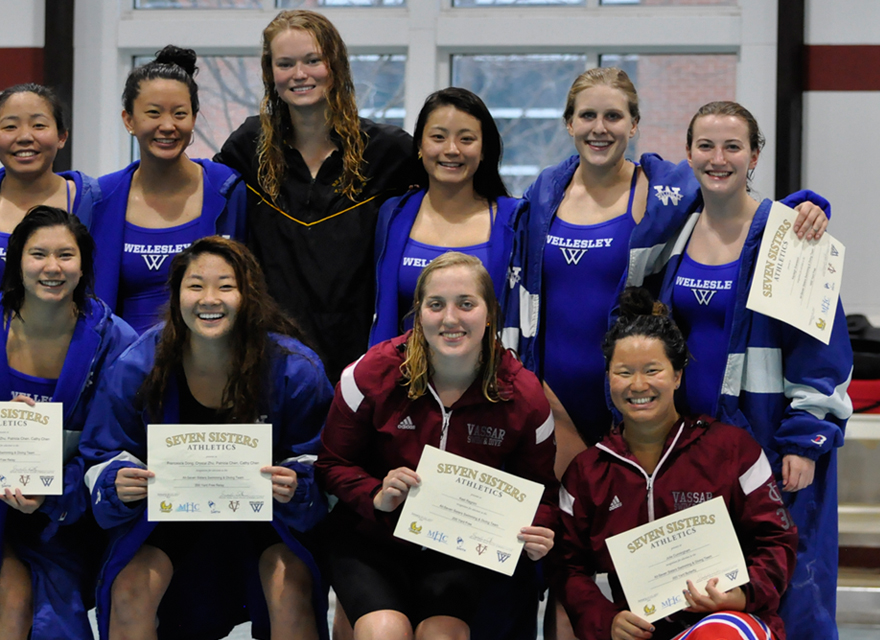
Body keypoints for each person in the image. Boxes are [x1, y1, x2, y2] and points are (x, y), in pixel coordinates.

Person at [502, 67, 830, 479]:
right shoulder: (546, 190)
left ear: (635, 125)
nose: (599, 128)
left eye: (614, 116)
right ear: (569, 123)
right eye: (587, 116)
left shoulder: (669, 193)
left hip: (638, 397)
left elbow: (734, 196)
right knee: (564, 528)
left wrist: (805, 207)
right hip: (552, 393)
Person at [632, 101, 851, 640]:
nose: (718, 158)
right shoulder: (674, 236)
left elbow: (822, 349)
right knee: (700, 596)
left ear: (755, 155)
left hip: (772, 442)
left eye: (733, 146)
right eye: (705, 146)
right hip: (693, 449)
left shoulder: (793, 237)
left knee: (787, 596)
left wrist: (804, 440)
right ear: (689, 153)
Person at [81, 237, 333, 640]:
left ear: (248, 294)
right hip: (169, 512)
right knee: (128, 590)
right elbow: (102, 451)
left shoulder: (294, 369)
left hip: (264, 515)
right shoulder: (139, 365)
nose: (209, 299)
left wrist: (297, 484)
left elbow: (321, 459)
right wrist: (117, 480)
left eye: (226, 286)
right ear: (177, 294)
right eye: (196, 286)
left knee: (292, 590)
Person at [0, 206, 137, 640]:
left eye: (66, 256)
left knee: (58, 621)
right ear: (17, 260)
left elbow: (114, 445)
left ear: (84, 264)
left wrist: (54, 494)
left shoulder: (115, 343)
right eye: (38, 254)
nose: (52, 268)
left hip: (68, 518)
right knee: (6, 602)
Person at [317, 251, 558, 640]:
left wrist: (540, 530)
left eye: (466, 304)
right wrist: (376, 494)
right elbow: (331, 464)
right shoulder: (369, 375)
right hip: (371, 539)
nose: (450, 319)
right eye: (436, 305)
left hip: (462, 550)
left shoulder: (525, 396)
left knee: (441, 636)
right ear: (418, 313)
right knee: (383, 633)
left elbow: (542, 492)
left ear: (489, 313)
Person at [556, 288, 798, 640]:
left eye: (652, 370)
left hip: (726, 622)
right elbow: (567, 567)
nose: (638, 385)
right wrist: (605, 619)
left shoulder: (732, 451)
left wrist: (743, 595)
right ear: (608, 378)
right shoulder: (588, 472)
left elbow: (777, 539)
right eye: (624, 372)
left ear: (677, 376)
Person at [216, 9, 422, 380]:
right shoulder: (248, 148)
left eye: (313, 60)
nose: (300, 74)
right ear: (270, 73)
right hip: (272, 357)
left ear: (336, 65)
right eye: (285, 63)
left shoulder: (389, 152)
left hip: (364, 358)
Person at [88, 45, 246, 334]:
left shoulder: (226, 191)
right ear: (129, 120)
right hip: (121, 369)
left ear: (194, 119)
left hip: (207, 366)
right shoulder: (101, 198)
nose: (168, 126)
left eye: (180, 114)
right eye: (153, 113)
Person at [370, 87, 519, 346]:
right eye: (438, 137)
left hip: (488, 381)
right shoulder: (392, 216)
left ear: (484, 150)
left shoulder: (514, 220)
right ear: (419, 145)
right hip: (406, 378)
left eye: (466, 139)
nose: (451, 149)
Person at [0, 83, 99, 313]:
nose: (25, 137)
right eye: (10, 126)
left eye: (39, 125)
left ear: (62, 136)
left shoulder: (91, 200)